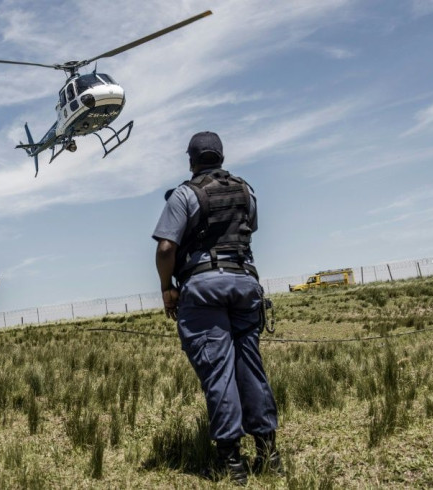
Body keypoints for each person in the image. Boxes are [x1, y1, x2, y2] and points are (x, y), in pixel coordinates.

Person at [152, 131, 281, 485]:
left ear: (191, 160)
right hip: (244, 283)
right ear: (221, 157)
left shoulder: (184, 194)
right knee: (250, 367)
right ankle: (268, 454)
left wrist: (167, 289)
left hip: (204, 288)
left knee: (218, 372)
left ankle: (231, 464)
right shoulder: (245, 190)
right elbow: (249, 227)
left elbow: (166, 249)